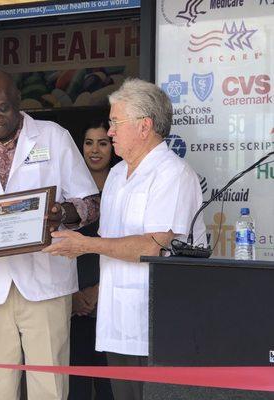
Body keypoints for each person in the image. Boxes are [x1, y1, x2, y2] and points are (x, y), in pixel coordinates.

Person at [0, 69, 99, 400]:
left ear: (18, 102)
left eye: (3, 108)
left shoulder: (53, 137)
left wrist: (60, 214)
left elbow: (90, 204)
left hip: (46, 283)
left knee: (50, 386)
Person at [44, 78, 206, 400]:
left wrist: (84, 245)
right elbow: (112, 243)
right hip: (116, 323)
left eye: (116, 122)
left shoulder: (172, 174)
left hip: (156, 325)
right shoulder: (118, 175)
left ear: (144, 126)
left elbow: (153, 246)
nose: (111, 131)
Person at [69, 119, 119, 400]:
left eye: (103, 142)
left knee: (109, 386)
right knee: (74, 384)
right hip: (74, 300)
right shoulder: (69, 188)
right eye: (89, 143)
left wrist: (99, 291)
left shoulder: (123, 183)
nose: (95, 150)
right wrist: (73, 294)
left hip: (109, 297)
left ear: (113, 146)